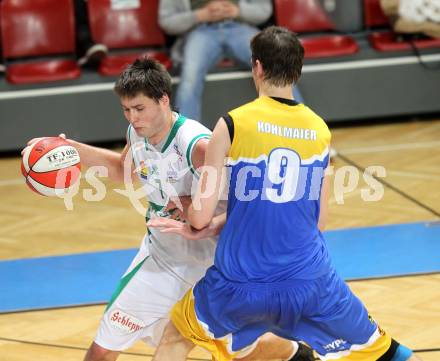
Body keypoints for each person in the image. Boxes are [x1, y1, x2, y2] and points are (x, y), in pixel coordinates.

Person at [151, 26, 422, 361]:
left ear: (257, 67)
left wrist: (193, 212)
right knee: (392, 354)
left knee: (176, 337)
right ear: (298, 69)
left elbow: (201, 216)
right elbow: (319, 220)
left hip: (240, 284)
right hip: (312, 282)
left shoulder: (233, 123)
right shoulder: (320, 130)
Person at [22, 57, 313, 361]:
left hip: (212, 267)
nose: (133, 118)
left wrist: (201, 216)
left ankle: (293, 352)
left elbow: (250, 204)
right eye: (126, 109)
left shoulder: (198, 145)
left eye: (139, 109)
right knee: (102, 348)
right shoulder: (137, 133)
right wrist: (76, 152)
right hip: (160, 258)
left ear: (163, 100)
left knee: (240, 352)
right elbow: (125, 172)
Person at [158, 0, 304, 122]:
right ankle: (184, 144)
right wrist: (199, 15)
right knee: (190, 75)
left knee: (274, 60)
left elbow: (264, 9)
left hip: (238, 27)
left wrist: (238, 11)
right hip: (200, 31)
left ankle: (299, 125)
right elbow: (166, 21)